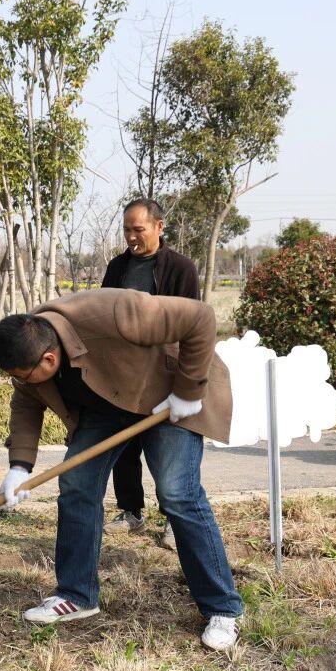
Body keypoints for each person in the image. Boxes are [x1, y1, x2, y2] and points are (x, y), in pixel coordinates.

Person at [0, 288, 243, 651]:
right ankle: (77, 595)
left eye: (26, 375)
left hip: (170, 396)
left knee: (177, 494)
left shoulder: (113, 313)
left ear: (48, 358)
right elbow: (26, 403)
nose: (23, 382)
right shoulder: (27, 348)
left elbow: (199, 317)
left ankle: (223, 608)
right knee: (76, 485)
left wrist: (188, 391)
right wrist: (19, 466)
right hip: (107, 407)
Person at [101, 198, 200, 549]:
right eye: (127, 229)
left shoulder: (180, 268)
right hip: (124, 372)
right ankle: (131, 511)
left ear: (159, 227)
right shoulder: (117, 267)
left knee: (167, 450)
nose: (131, 237)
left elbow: (190, 324)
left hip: (164, 373)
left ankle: (174, 518)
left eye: (138, 230)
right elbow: (105, 313)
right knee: (124, 447)